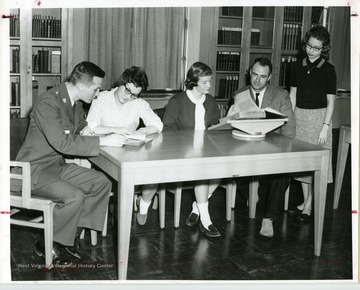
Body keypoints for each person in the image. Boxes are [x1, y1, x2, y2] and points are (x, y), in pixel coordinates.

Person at [15, 61, 126, 264]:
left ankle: (67, 237)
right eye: (96, 88)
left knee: (101, 182)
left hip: (55, 166)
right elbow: (63, 142)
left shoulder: (75, 102)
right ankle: (45, 244)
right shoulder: (48, 103)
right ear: (82, 86)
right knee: (74, 196)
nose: (98, 93)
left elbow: (81, 126)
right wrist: (102, 141)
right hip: (35, 170)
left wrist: (97, 132)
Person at [84, 66, 163, 225]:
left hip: (130, 152)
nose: (129, 97)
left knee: (155, 173)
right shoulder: (102, 98)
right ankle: (118, 215)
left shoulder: (139, 103)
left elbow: (157, 125)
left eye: (134, 95)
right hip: (105, 153)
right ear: (121, 82)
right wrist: (115, 130)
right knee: (119, 180)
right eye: (127, 91)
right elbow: (90, 127)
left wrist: (143, 130)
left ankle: (144, 204)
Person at [228, 57, 296, 237]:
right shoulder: (239, 93)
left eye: (263, 77)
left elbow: (289, 127)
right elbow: (232, 126)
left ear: (270, 77)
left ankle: (269, 218)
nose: (257, 80)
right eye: (255, 75)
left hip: (273, 147)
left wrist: (284, 151)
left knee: (282, 172)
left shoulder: (280, 95)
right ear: (250, 72)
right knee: (238, 169)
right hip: (245, 147)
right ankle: (254, 195)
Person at [162, 61, 221, 238]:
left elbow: (215, 127)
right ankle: (206, 219)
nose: (209, 85)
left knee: (222, 168)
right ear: (193, 82)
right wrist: (186, 149)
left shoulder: (210, 101)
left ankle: (197, 206)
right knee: (202, 171)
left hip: (206, 150)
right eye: (205, 82)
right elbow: (167, 130)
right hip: (181, 153)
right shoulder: (177, 101)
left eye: (210, 81)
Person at [288, 25, 336, 222]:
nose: (311, 50)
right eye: (309, 46)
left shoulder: (328, 69)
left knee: (316, 163)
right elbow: (292, 95)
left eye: (316, 48)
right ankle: (305, 200)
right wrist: (290, 121)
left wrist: (325, 127)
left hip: (319, 119)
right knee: (303, 163)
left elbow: (331, 102)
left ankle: (308, 205)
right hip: (299, 116)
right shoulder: (296, 66)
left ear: (323, 48)